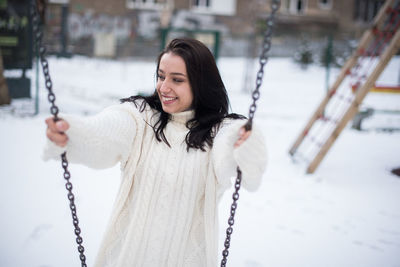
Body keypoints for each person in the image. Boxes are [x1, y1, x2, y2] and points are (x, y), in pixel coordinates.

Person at [44, 38, 267, 267]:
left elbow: (238, 157)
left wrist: (245, 141)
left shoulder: (219, 133)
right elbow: (105, 132)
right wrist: (74, 132)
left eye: (177, 80)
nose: (163, 87)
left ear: (201, 83)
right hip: (128, 258)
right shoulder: (142, 118)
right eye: (161, 76)